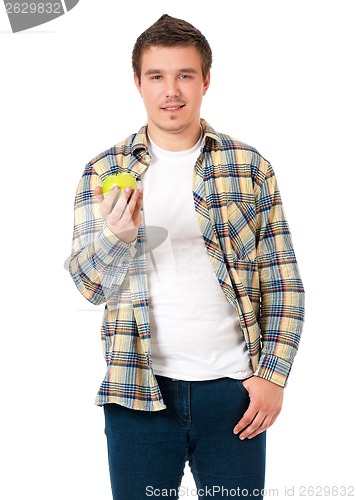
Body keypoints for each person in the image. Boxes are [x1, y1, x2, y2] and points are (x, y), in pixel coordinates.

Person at [68, 14, 305, 500]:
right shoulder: (105, 171)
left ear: (205, 81)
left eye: (185, 75)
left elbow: (283, 285)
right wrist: (116, 235)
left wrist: (272, 378)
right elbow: (89, 286)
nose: (171, 90)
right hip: (138, 392)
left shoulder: (250, 168)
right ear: (138, 83)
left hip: (234, 394)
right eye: (156, 76)